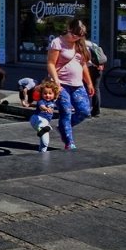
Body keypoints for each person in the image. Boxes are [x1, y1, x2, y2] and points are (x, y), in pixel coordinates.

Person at [47, 18, 94, 151]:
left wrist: (89, 83)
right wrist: (55, 80)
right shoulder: (57, 42)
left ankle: (62, 127)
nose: (77, 38)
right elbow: (50, 63)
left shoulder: (80, 44)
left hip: (77, 84)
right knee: (66, 112)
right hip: (61, 83)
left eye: (80, 36)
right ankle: (69, 142)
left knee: (84, 111)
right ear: (69, 30)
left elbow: (83, 64)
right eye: (75, 35)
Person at [30, 79, 60, 153]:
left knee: (45, 142)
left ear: (54, 94)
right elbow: (41, 106)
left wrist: (58, 88)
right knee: (44, 123)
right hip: (36, 118)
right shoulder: (41, 101)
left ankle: (42, 152)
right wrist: (45, 108)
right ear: (41, 94)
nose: (47, 95)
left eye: (50, 93)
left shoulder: (53, 101)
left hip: (44, 122)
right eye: (45, 93)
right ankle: (43, 127)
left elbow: (57, 94)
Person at [86, 38, 106, 117]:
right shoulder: (93, 44)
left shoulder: (81, 45)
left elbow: (85, 60)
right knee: (96, 88)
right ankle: (96, 110)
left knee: (86, 88)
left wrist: (94, 64)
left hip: (89, 68)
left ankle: (86, 109)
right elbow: (100, 56)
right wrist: (100, 64)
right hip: (98, 69)